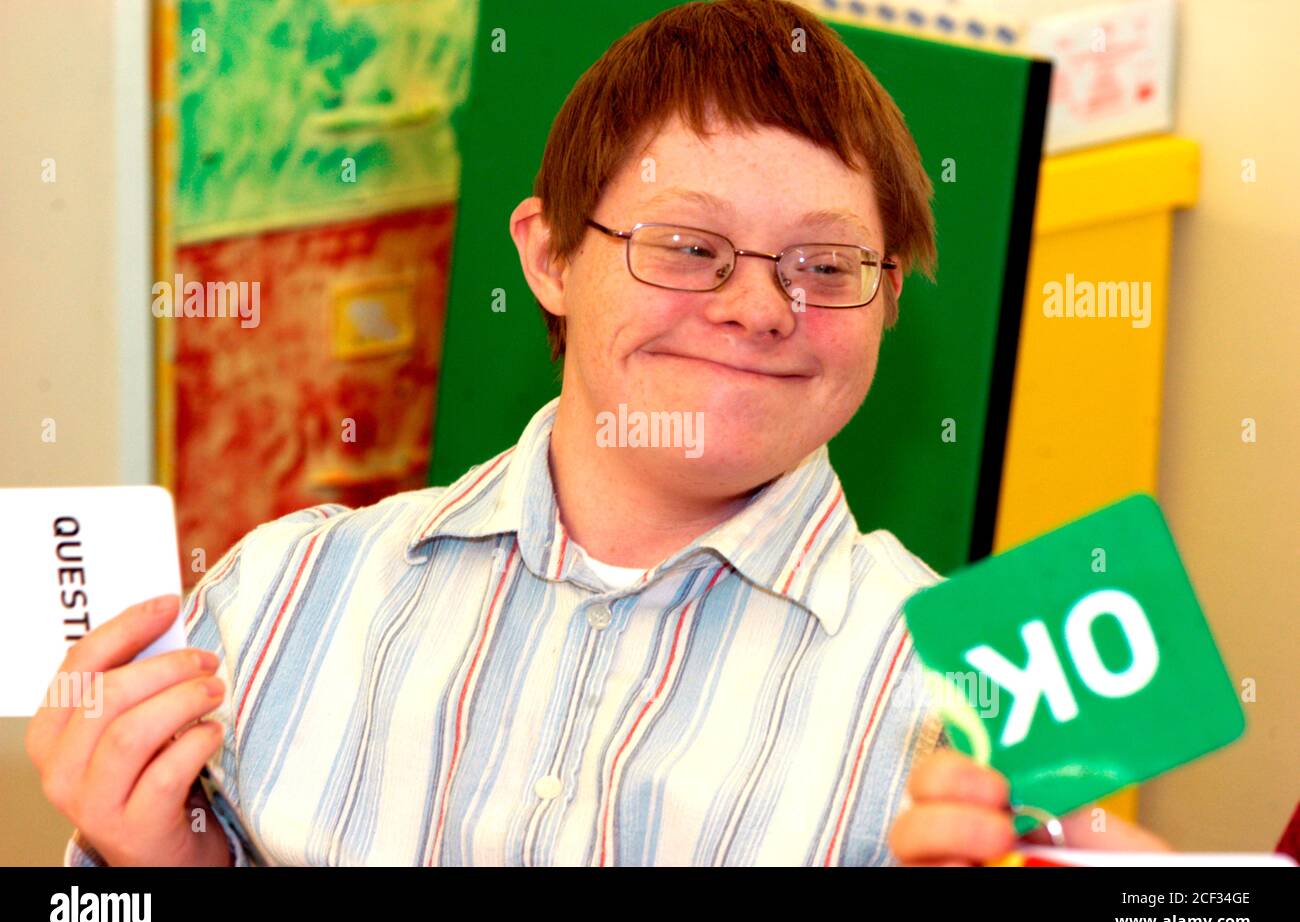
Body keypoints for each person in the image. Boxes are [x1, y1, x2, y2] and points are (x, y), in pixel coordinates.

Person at [27, 0, 1169, 866]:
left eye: (826, 265)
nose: (760, 307)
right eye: (686, 245)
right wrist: (160, 861)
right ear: (549, 256)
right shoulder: (277, 602)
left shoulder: (970, 706)